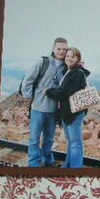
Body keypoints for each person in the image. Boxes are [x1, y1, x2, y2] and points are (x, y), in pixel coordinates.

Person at [21, 37, 68, 167]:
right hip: (38, 108)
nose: (61, 51)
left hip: (53, 110)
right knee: (34, 139)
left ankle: (48, 160)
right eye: (59, 48)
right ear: (53, 49)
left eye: (64, 49)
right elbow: (28, 79)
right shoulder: (43, 62)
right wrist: (28, 97)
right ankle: (33, 163)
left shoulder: (66, 65)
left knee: (49, 139)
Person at [43, 47, 90, 168]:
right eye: (67, 56)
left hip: (74, 112)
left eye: (72, 56)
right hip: (68, 112)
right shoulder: (69, 71)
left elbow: (63, 92)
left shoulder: (77, 73)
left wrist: (48, 91)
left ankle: (75, 168)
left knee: (75, 143)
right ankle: (68, 164)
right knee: (70, 141)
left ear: (78, 59)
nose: (69, 58)